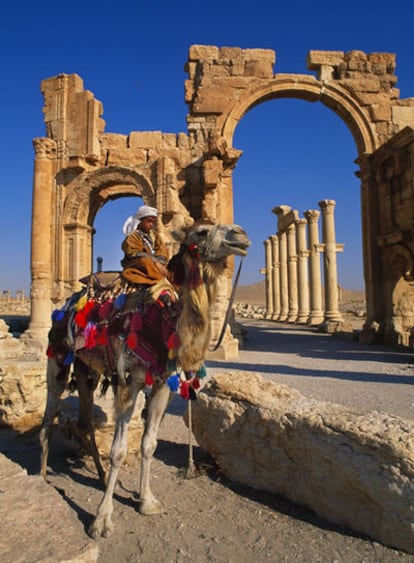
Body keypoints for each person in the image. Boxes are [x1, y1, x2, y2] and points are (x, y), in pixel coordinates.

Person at [120, 205, 169, 285]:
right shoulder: (133, 235)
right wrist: (155, 262)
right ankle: (157, 280)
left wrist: (161, 262)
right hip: (138, 263)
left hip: (155, 263)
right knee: (145, 261)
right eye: (149, 221)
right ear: (140, 221)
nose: (151, 224)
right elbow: (134, 252)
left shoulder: (155, 235)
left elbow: (161, 249)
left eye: (153, 222)